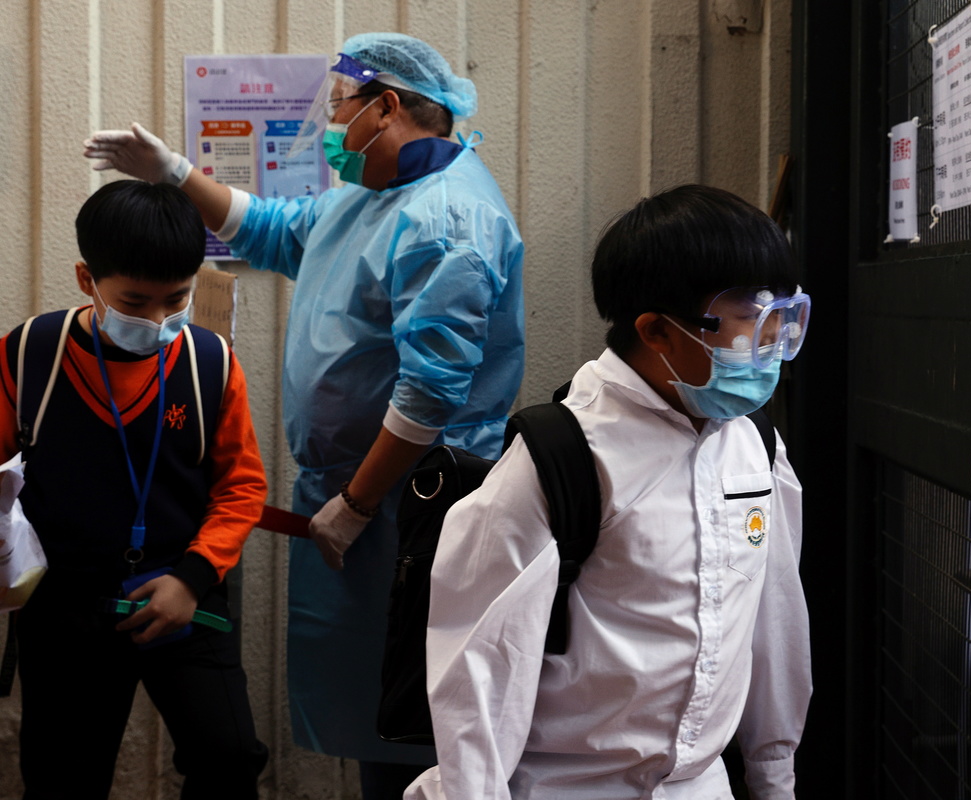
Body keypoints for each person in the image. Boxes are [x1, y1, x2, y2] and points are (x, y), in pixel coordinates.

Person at [83, 32, 525, 796]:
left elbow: (431, 391)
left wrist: (356, 505)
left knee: (417, 713)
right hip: (358, 495)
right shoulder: (371, 193)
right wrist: (174, 172)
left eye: (339, 107)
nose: (330, 125)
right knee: (372, 705)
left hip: (415, 504)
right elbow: (272, 228)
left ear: (386, 108)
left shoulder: (448, 220)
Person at [405, 184, 812, 800]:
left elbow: (774, 620)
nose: (772, 346)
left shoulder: (755, 445)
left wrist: (774, 777)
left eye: (782, 318)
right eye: (752, 323)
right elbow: (482, 672)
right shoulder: (560, 458)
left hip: (700, 786)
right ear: (658, 332)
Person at [1, 180, 268, 798]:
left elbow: (241, 486)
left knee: (229, 759)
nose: (157, 320)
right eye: (135, 301)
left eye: (176, 299)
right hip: (65, 608)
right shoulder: (28, 356)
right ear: (86, 279)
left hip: (186, 593)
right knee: (63, 777)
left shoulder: (209, 363)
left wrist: (192, 579)